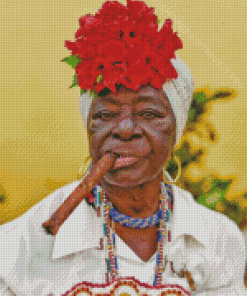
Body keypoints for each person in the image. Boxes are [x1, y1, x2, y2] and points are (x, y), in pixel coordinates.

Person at [0, 0, 246, 295]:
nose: (125, 129)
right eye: (104, 115)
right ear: (89, 127)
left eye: (148, 114)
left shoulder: (216, 240)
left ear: (176, 131)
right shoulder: (17, 248)